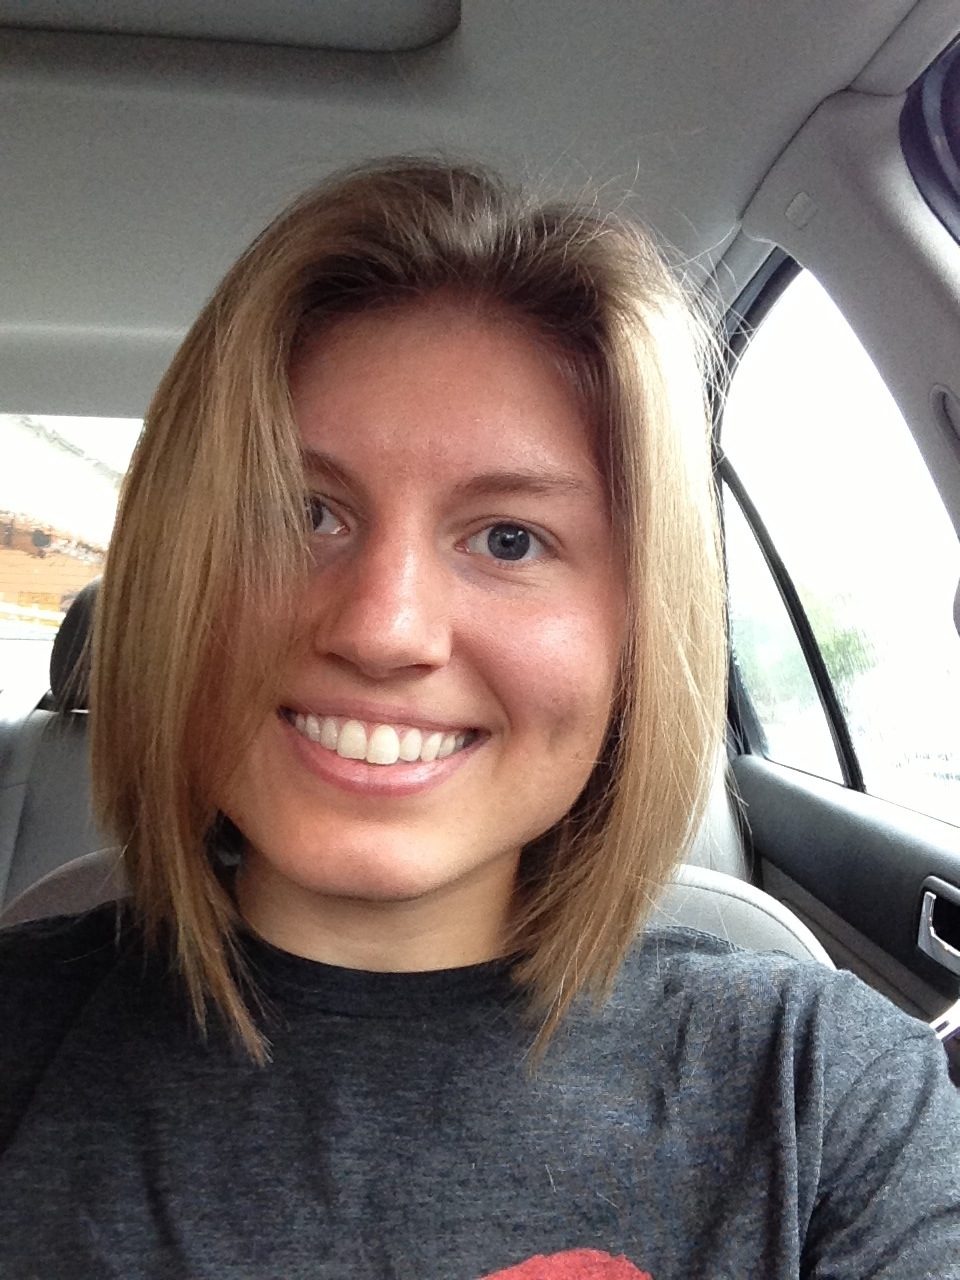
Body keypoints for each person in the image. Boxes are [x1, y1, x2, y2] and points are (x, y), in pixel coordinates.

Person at [1, 158, 958, 1280]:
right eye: (300, 513)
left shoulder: (829, 1098)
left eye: (510, 539)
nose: (383, 628)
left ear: (637, 634)